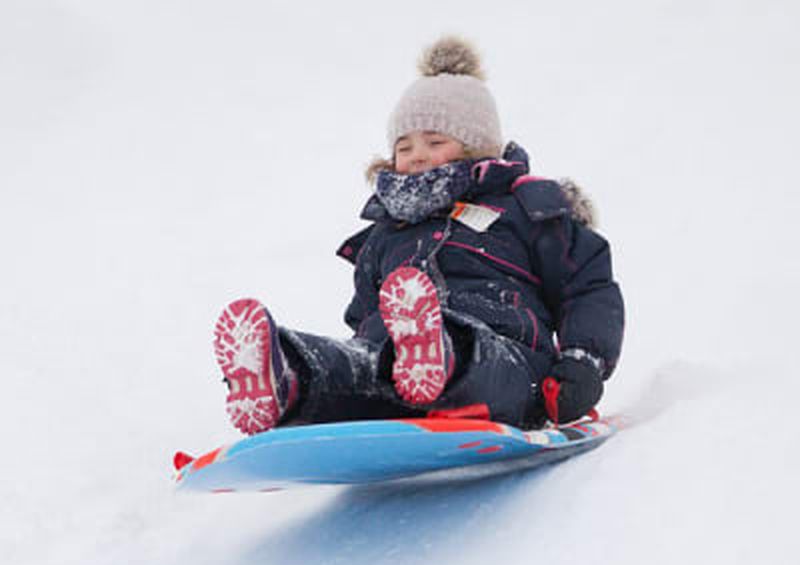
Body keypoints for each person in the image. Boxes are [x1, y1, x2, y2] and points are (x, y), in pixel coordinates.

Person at [212, 36, 624, 436]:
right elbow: (365, 316)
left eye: (435, 141)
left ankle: (438, 354)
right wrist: (365, 354)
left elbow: (586, 287)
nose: (417, 155)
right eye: (404, 147)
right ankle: (287, 376)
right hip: (398, 362)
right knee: (361, 364)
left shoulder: (526, 210)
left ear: (478, 148)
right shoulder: (385, 233)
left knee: (475, 354)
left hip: (509, 361)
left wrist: (582, 361)